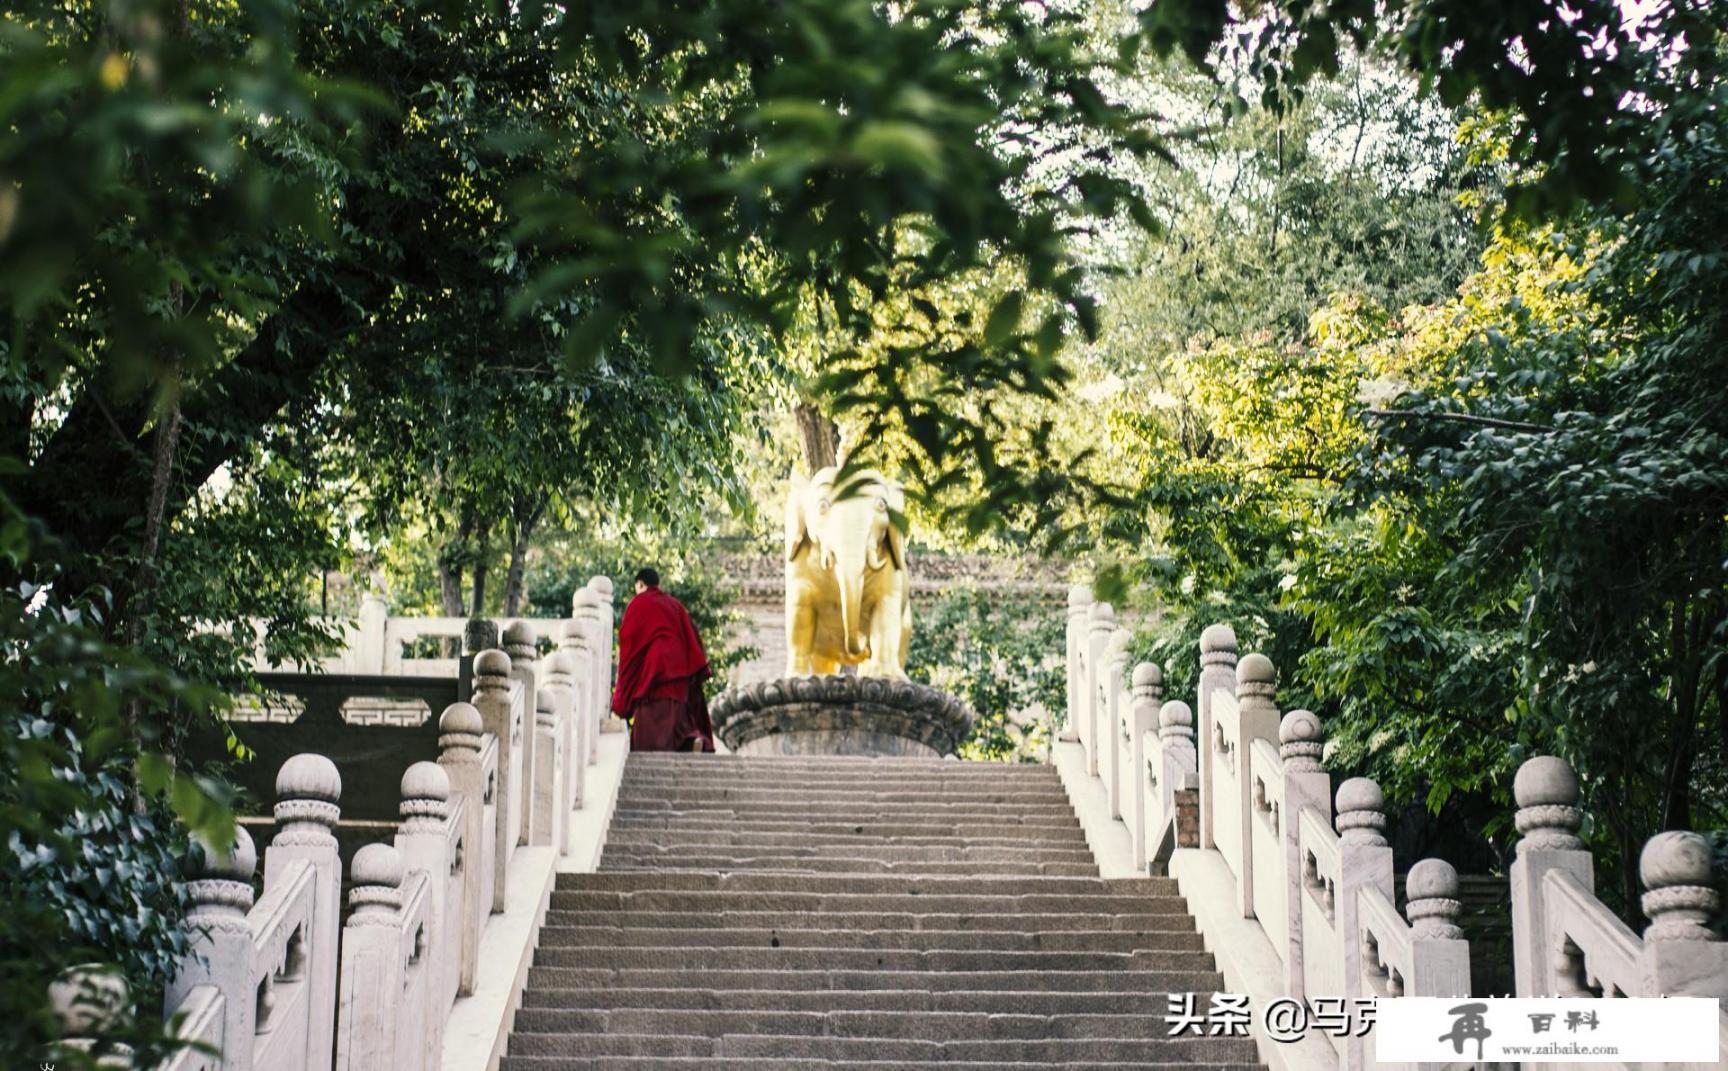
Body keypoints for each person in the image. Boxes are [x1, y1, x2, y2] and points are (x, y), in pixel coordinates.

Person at [610, 567, 716, 752]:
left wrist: (620, 702)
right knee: (680, 724)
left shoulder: (638, 603)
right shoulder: (675, 605)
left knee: (649, 732)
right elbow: (694, 638)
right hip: (681, 673)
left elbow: (629, 649)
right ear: (658, 585)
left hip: (655, 674)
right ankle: (692, 740)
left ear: (640, 584)